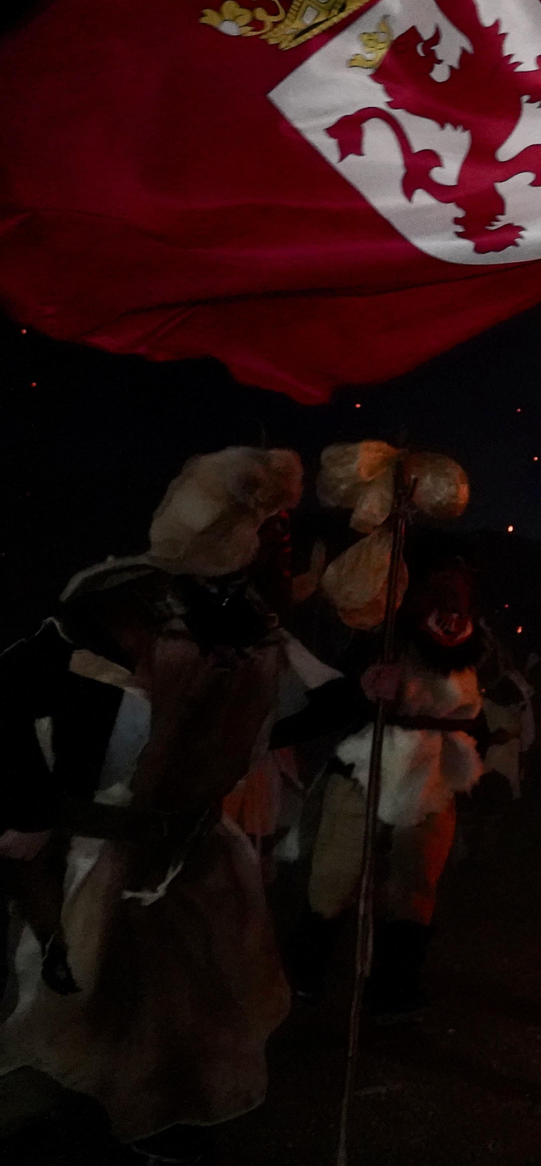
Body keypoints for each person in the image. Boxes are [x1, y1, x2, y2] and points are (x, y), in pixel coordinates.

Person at [0, 447, 361, 1163]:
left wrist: (354, 694)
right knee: (78, 1001)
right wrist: (28, 806)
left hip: (194, 849)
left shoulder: (250, 620)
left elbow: (323, 700)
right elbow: (8, 693)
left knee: (197, 1003)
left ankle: (165, 1113)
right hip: (96, 845)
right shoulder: (114, 609)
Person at [288, 550, 490, 1019]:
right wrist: (366, 686)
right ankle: (305, 974)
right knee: (336, 875)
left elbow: (472, 713)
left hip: (433, 775)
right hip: (369, 765)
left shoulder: (472, 649)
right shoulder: (382, 640)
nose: (453, 607)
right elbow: (339, 689)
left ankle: (394, 985)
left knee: (415, 883)